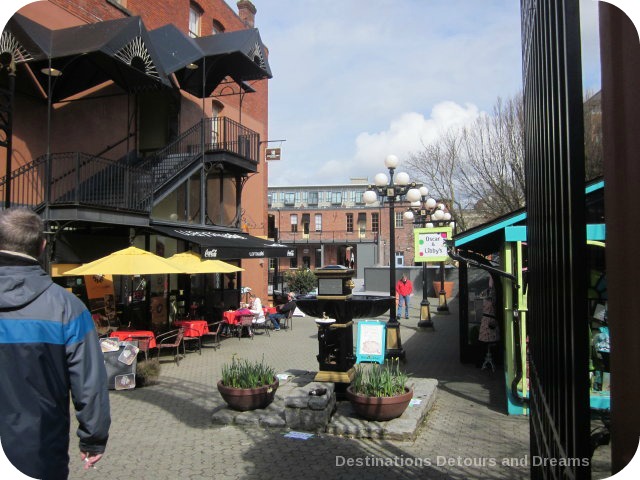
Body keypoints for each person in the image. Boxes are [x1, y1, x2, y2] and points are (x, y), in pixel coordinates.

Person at [0, 208, 111, 479]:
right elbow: (90, 382)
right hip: (37, 451)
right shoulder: (68, 309)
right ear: (42, 246)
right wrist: (92, 438)